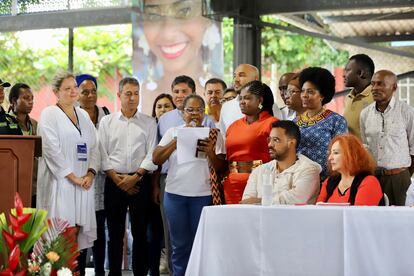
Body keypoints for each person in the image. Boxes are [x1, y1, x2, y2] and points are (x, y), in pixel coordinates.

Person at [153, 94, 226, 276]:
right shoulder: (172, 132)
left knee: (199, 243)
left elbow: (222, 168)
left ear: (204, 113)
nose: (194, 114)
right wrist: (176, 142)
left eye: (199, 110)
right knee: (179, 244)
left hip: (203, 195)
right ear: (182, 113)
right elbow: (156, 158)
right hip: (175, 195)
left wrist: (210, 152)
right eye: (190, 110)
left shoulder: (214, 134)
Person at [98, 77, 158, 276]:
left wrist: (136, 177)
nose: (133, 98)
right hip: (113, 181)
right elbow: (101, 153)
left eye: (136, 93)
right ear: (119, 95)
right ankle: (114, 272)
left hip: (140, 183)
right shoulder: (107, 122)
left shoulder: (149, 122)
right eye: (128, 93)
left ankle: (140, 272)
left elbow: (152, 153)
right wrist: (117, 180)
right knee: (114, 234)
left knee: (140, 234)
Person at [37, 72, 99, 260]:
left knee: (77, 234)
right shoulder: (49, 114)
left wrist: (90, 173)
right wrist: (73, 177)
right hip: (61, 182)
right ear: (57, 92)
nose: (73, 91)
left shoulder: (83, 115)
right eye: (67, 88)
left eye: (75, 87)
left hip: (83, 183)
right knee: (61, 234)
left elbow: (95, 147)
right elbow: (51, 150)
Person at [135, 0, 222, 114]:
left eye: (184, 11)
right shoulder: (137, 94)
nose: (168, 34)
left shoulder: (222, 95)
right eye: (153, 16)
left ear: (207, 18)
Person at [360, 70, 414, 206]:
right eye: (373, 84)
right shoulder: (365, 114)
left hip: (399, 179)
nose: (375, 88)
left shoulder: (407, 112)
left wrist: (403, 174)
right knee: (373, 220)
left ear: (394, 87)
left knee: (401, 221)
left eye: (381, 84)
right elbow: (365, 147)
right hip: (373, 178)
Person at [76, 74, 110, 276]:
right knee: (80, 231)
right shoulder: (72, 116)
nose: (90, 95)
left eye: (93, 91)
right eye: (85, 91)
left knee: (99, 230)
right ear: (77, 94)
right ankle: (77, 271)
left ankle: (99, 271)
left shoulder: (106, 113)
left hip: (104, 181)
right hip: (81, 181)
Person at [241, 120, 321, 205]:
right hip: (262, 218)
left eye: (276, 140)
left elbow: (297, 199)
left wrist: (259, 200)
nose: (270, 144)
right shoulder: (259, 170)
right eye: (269, 140)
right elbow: (246, 203)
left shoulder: (309, 169)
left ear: (291, 143)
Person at [224, 80, 278, 204]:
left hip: (260, 184)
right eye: (241, 98)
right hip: (232, 184)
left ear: (260, 100)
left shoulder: (272, 123)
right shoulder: (233, 126)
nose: (242, 102)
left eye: (247, 98)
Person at [296, 67, 348, 181]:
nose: (304, 95)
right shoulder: (295, 122)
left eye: (310, 92)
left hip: (326, 181)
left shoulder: (336, 121)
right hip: (299, 180)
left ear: (322, 96)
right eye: (303, 91)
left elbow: (342, 155)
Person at [149, 93, 175, 276]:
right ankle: (159, 257)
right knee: (156, 227)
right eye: (159, 106)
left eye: (167, 106)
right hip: (154, 181)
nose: (163, 110)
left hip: (174, 181)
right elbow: (155, 160)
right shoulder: (153, 127)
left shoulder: (174, 128)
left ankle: (169, 258)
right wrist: (155, 185)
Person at [317, 134, 383, 205]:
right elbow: (318, 211)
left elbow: (360, 215)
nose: (330, 158)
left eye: (336, 153)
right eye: (330, 153)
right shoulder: (329, 182)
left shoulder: (369, 182)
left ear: (352, 155)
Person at [219, 64, 282, 137]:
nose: (236, 80)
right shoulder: (226, 107)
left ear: (256, 79)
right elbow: (223, 138)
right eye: (234, 76)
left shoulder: (270, 106)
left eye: (241, 75)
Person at [8, 83, 36, 207]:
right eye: (25, 98)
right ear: (14, 100)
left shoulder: (35, 125)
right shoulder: (5, 123)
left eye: (32, 98)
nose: (30, 102)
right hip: (11, 183)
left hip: (33, 185)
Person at [343, 54, 375, 140]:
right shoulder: (348, 98)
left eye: (347, 70)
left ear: (361, 73)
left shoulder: (377, 99)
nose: (343, 75)